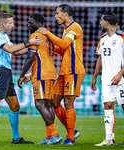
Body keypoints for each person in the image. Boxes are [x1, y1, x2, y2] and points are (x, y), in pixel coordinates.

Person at [0, 12, 42, 145]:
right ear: (2, 24)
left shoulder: (5, 36)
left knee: (15, 106)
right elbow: (11, 49)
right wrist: (29, 42)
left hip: (6, 73)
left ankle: (16, 138)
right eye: (10, 23)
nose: (13, 25)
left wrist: (34, 47)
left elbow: (17, 52)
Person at [37, 4, 85, 145]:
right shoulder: (66, 30)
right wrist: (48, 46)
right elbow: (63, 49)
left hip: (74, 71)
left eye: (58, 13)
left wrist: (48, 33)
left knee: (68, 103)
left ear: (65, 13)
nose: (55, 16)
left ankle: (70, 138)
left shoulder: (75, 27)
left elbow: (64, 45)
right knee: (53, 102)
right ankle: (72, 131)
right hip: (64, 71)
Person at [18, 13, 62, 145]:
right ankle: (49, 136)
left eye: (30, 23)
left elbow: (30, 58)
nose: (28, 25)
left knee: (39, 104)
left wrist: (21, 75)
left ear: (38, 23)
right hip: (50, 73)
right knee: (48, 105)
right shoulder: (48, 36)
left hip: (41, 75)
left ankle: (55, 135)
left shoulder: (35, 36)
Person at [91, 11, 124, 146]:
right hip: (106, 80)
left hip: (120, 80)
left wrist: (120, 73)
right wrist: (95, 76)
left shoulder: (122, 37)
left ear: (107, 22)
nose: (100, 23)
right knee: (107, 106)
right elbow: (100, 59)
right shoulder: (103, 39)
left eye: (101, 20)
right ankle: (109, 139)